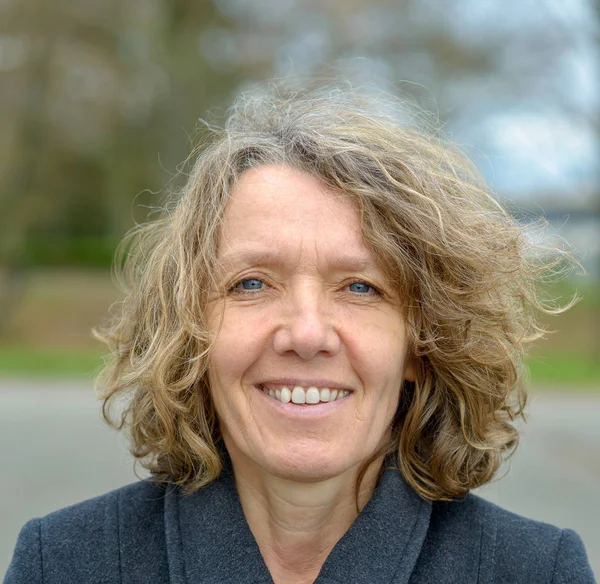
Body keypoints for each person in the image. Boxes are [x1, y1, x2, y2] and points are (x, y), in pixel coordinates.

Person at [4, 82, 595, 584]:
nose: (307, 334)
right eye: (253, 283)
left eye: (361, 288)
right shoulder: (62, 564)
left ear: (422, 344)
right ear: (190, 332)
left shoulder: (535, 570)